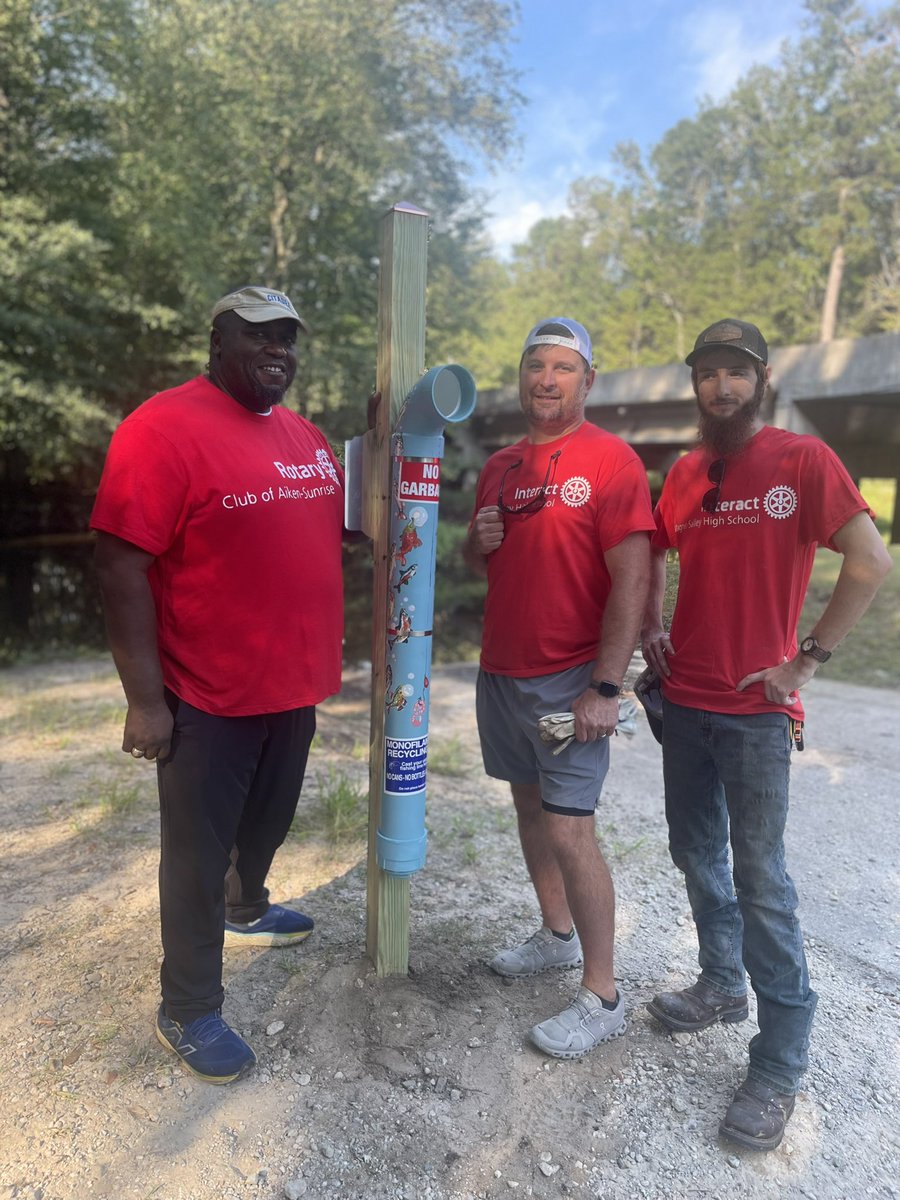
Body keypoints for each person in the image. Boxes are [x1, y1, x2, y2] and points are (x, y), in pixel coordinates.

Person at [640, 318, 892, 1149]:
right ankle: (721, 982)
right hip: (686, 703)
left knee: (762, 879)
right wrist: (653, 631)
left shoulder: (802, 461)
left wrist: (805, 660)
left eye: (735, 373)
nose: (720, 387)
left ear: (764, 379)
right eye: (707, 374)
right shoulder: (683, 472)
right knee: (693, 852)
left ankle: (780, 1063)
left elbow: (869, 560)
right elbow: (654, 555)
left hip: (755, 713)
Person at [91, 286, 347, 1085]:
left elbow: (336, 524)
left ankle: (249, 907)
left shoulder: (302, 435)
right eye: (259, 337)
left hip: (290, 685)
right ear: (219, 341)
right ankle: (189, 1005)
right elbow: (120, 561)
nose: (278, 351)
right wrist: (145, 697)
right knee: (196, 856)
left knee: (268, 820)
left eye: (288, 340)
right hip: (207, 694)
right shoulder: (160, 428)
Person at [464, 317, 654, 1058]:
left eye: (563, 368)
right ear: (522, 375)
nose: (547, 379)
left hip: (572, 679)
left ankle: (603, 994)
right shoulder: (502, 466)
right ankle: (555, 934)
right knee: (529, 806)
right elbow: (497, 567)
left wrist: (607, 687)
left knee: (572, 826)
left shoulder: (612, 461)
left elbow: (632, 578)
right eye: (536, 365)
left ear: (588, 380)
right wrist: (478, 544)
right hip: (502, 672)